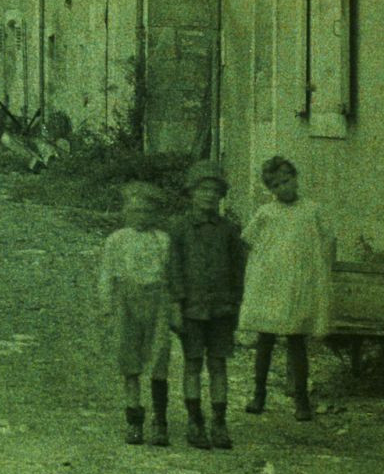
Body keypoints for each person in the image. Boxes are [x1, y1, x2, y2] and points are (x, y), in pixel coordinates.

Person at [238, 156, 337, 421]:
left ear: (295, 178)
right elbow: (247, 241)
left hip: (297, 285)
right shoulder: (266, 213)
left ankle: (302, 399)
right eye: (276, 185)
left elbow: (328, 241)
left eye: (287, 180)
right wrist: (257, 274)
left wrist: (322, 273)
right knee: (265, 340)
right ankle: (259, 393)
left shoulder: (312, 210)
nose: (284, 188)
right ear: (270, 190)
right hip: (271, 284)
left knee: (296, 341)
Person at [168, 160, 246, 450]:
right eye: (202, 190)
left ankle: (219, 421)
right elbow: (173, 270)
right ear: (191, 193)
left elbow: (239, 270)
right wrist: (175, 305)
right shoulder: (179, 229)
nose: (208, 196)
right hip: (192, 309)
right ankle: (194, 420)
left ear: (221, 196)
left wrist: (237, 304)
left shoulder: (229, 231)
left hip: (222, 309)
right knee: (192, 364)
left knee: (218, 365)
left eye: (214, 191)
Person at [98, 181, 174, 445]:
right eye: (135, 210)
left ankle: (160, 421)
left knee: (159, 356)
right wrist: (107, 304)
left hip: (157, 302)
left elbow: (169, 275)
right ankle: (134, 420)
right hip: (127, 303)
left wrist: (173, 305)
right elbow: (107, 274)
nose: (141, 216)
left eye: (147, 211)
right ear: (126, 212)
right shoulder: (116, 240)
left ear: (155, 214)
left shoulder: (163, 240)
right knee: (129, 359)